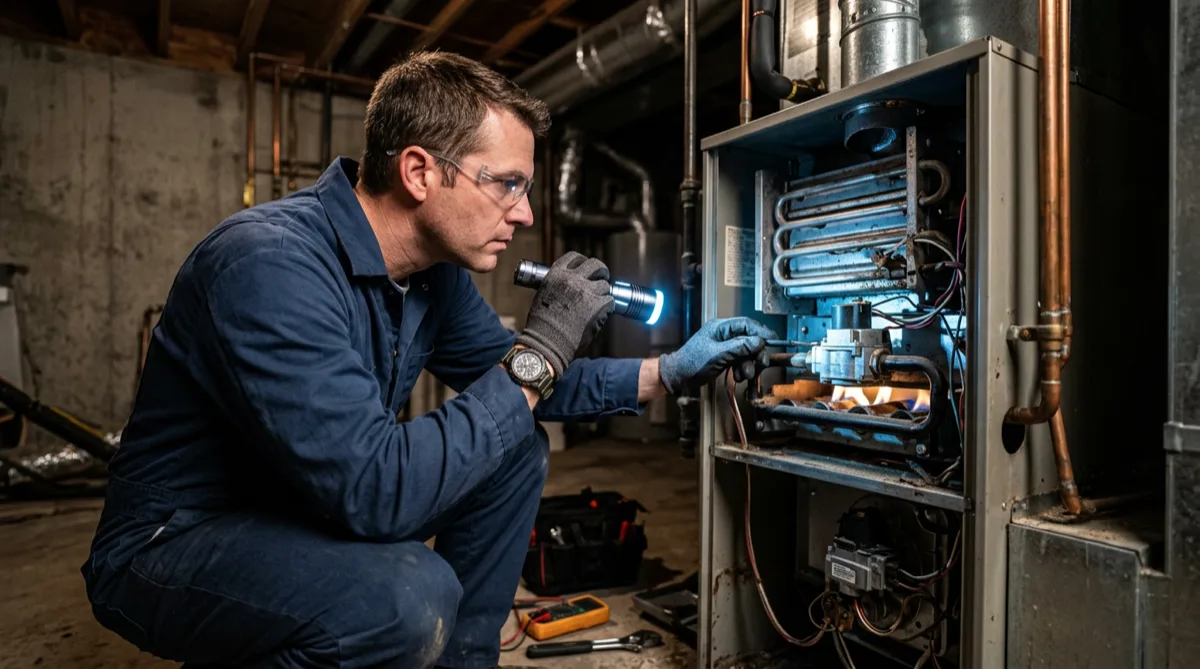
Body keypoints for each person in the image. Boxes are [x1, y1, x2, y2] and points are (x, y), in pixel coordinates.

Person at [81, 50, 774, 669]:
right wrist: (542, 348)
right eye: (507, 183)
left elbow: (521, 386)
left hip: (296, 498)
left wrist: (670, 371)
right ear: (418, 171)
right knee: (406, 598)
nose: (526, 213)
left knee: (513, 447)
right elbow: (379, 491)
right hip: (176, 542)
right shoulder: (267, 264)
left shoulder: (432, 277)